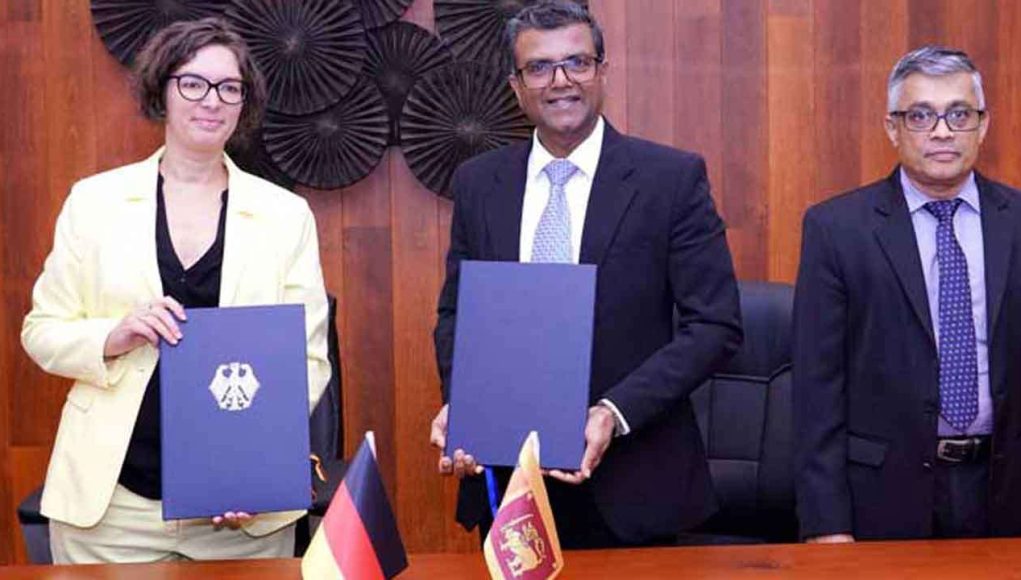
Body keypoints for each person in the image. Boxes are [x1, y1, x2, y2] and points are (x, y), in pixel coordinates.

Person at [429, 0, 742, 548]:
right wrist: (467, 406)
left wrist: (612, 414)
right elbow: (459, 315)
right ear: (516, 86)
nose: (561, 81)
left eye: (576, 62)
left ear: (602, 71)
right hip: (508, 482)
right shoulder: (479, 183)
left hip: (635, 485)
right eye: (539, 67)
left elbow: (715, 327)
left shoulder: (670, 179)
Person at [21, 18, 331, 563]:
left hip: (240, 512)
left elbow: (306, 361)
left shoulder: (286, 216)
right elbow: (42, 332)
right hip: (113, 509)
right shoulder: (94, 203)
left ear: (244, 103)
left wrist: (252, 469)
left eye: (229, 87)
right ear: (161, 89)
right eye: (193, 83)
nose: (212, 100)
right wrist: (113, 336)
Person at [794, 46, 1021, 542]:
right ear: (893, 128)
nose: (942, 131)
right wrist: (826, 525)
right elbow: (816, 389)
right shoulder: (837, 229)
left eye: (959, 114)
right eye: (920, 115)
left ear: (982, 125)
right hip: (882, 495)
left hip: (1005, 489)